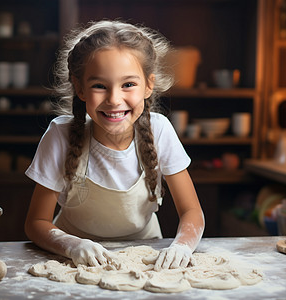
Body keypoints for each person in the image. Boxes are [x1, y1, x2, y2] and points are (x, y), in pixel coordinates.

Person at [24, 20, 204, 270]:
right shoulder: (60, 135)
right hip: (72, 261)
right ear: (80, 88)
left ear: (148, 85)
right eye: (99, 86)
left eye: (128, 84)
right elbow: (36, 222)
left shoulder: (159, 129)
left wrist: (181, 246)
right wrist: (73, 246)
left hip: (145, 259)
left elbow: (192, 212)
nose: (114, 99)